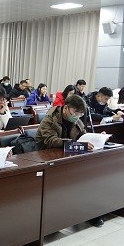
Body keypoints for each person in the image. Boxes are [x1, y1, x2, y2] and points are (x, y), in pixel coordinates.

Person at [34, 94, 103, 227]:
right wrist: (74, 143)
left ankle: (90, 211)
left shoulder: (76, 119)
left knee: (90, 173)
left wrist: (95, 138)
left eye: (80, 114)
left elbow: (83, 135)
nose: (77, 116)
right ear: (66, 108)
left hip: (67, 155)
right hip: (46, 157)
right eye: (75, 113)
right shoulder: (50, 118)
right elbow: (50, 141)